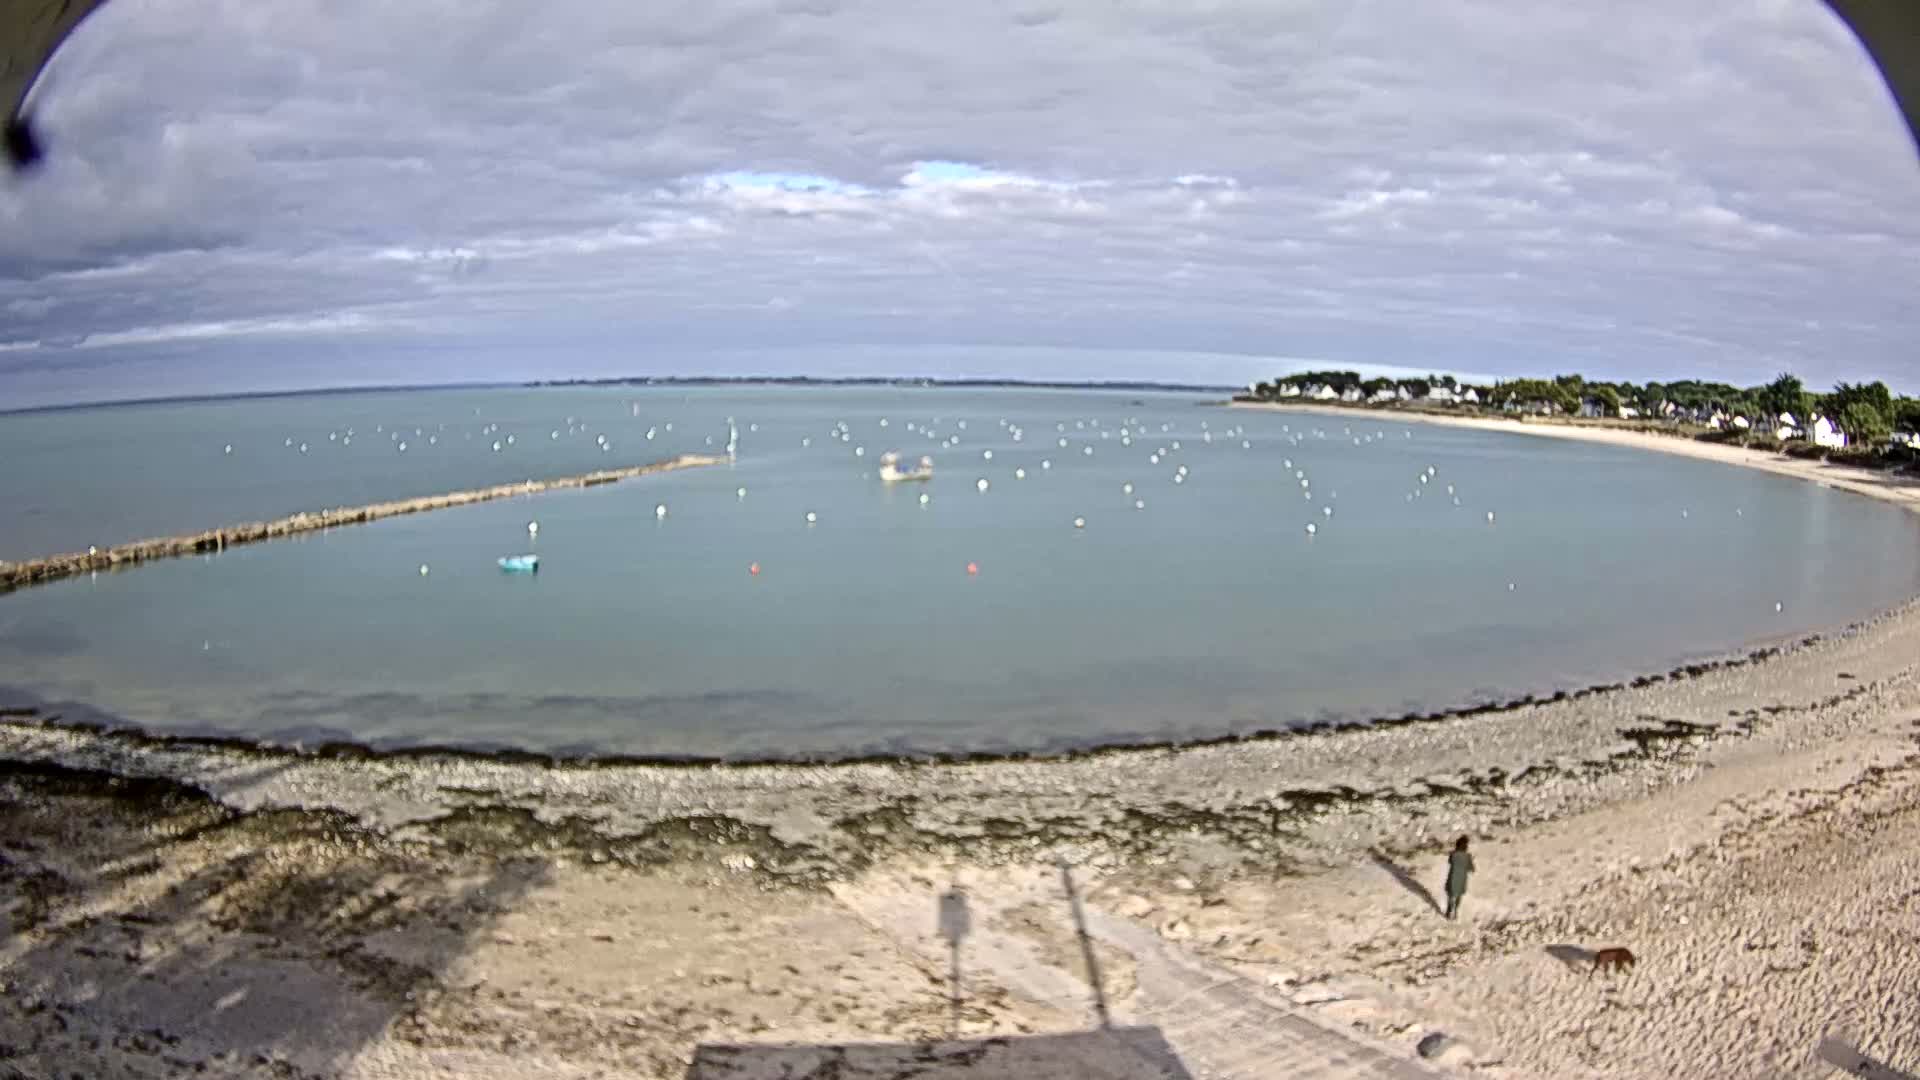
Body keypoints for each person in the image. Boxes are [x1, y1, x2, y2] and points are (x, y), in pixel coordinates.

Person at [1444, 836, 1474, 920]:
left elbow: (1449, 862)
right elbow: (1471, 869)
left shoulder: (1453, 854)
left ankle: (1449, 911)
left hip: (1452, 877)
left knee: (1450, 895)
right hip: (1462, 879)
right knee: (1459, 896)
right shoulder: (1467, 856)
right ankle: (1456, 911)